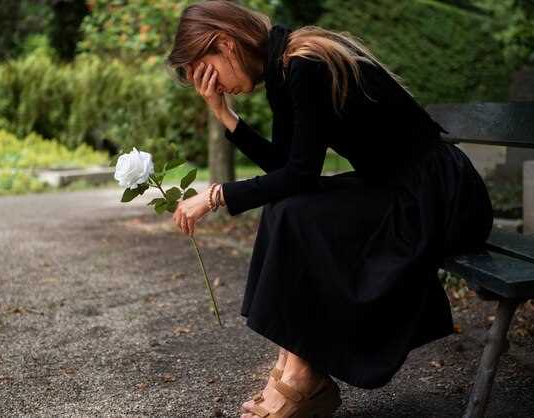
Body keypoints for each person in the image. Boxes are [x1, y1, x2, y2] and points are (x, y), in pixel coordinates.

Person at [166, 1, 494, 417]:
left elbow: (300, 174)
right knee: (287, 208)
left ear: (226, 44)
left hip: (439, 196)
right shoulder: (284, 71)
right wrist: (225, 116)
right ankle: (297, 367)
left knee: (296, 212)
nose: (210, 84)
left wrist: (217, 195)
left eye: (206, 70)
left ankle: (304, 377)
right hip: (397, 186)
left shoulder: (306, 64)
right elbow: (285, 169)